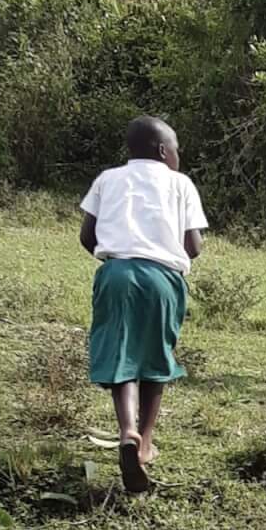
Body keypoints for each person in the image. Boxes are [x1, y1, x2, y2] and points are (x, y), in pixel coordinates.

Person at [79, 116, 207, 494]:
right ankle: (146, 442)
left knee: (122, 356)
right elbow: (194, 246)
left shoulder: (107, 178)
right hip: (163, 279)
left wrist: (116, 258)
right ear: (164, 151)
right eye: (177, 149)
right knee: (155, 360)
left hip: (116, 273)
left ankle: (127, 431)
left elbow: (88, 235)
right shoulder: (180, 183)